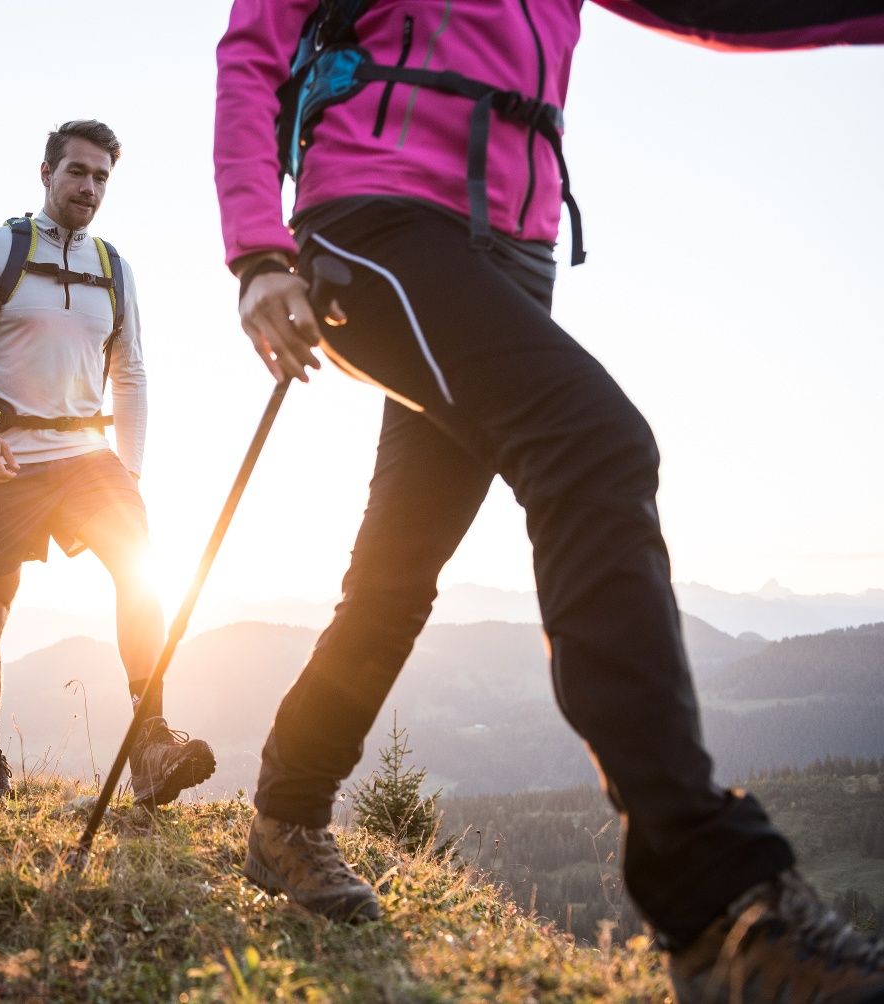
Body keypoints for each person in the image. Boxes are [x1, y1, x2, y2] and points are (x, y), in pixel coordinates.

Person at [214, 2, 884, 1000]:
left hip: (512, 254)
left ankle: (285, 812)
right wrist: (257, 252)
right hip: (377, 219)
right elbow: (252, 50)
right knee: (595, 447)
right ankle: (720, 910)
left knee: (396, 576)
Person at [0, 119, 216, 806]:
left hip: (90, 457)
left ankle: (150, 744)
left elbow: (133, 372)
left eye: (101, 177)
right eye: (77, 172)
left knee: (140, 576)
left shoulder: (114, 267)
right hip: (5, 459)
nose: (89, 187)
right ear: (46, 173)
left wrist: (130, 471)